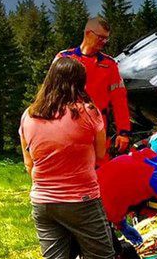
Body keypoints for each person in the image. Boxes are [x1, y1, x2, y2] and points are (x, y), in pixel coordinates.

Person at [19, 57, 145, 259]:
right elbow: (101, 154)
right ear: (80, 83)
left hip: (43, 202)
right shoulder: (88, 113)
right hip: (82, 200)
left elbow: (28, 164)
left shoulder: (29, 116)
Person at [55, 16, 132, 155]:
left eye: (106, 38)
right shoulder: (64, 58)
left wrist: (124, 131)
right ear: (88, 33)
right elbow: (51, 92)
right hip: (67, 124)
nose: (104, 42)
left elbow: (119, 99)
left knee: (99, 168)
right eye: (101, 37)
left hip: (98, 127)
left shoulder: (109, 64)